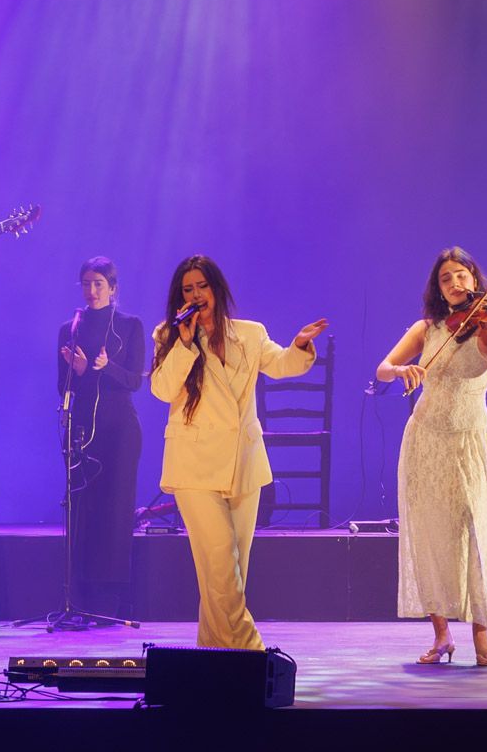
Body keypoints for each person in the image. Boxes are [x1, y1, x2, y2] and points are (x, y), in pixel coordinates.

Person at [150, 256, 327, 650]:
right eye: (188, 289)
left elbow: (281, 364)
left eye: (202, 286)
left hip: (242, 464)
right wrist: (184, 344)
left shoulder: (249, 333)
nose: (196, 295)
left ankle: (215, 659)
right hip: (194, 466)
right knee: (221, 567)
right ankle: (253, 653)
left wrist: (299, 345)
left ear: (216, 289)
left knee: (229, 574)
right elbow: (162, 390)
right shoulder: (168, 335)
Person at [376, 247, 487, 665]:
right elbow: (383, 368)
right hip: (425, 440)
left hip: (469, 441)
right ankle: (441, 634)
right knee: (430, 534)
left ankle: (481, 633)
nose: (455, 283)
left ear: (474, 279)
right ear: (438, 289)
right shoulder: (426, 328)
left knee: (476, 534)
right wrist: (401, 371)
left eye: (461, 275)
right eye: (446, 278)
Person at [55, 257, 145, 616]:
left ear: (112, 288)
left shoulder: (129, 326)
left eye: (98, 284)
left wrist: (104, 369)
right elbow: (61, 386)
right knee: (83, 509)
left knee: (115, 511)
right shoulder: (70, 329)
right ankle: (80, 597)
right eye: (86, 284)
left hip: (119, 429)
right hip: (81, 427)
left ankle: (112, 600)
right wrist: (78, 373)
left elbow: (134, 381)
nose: (91, 291)